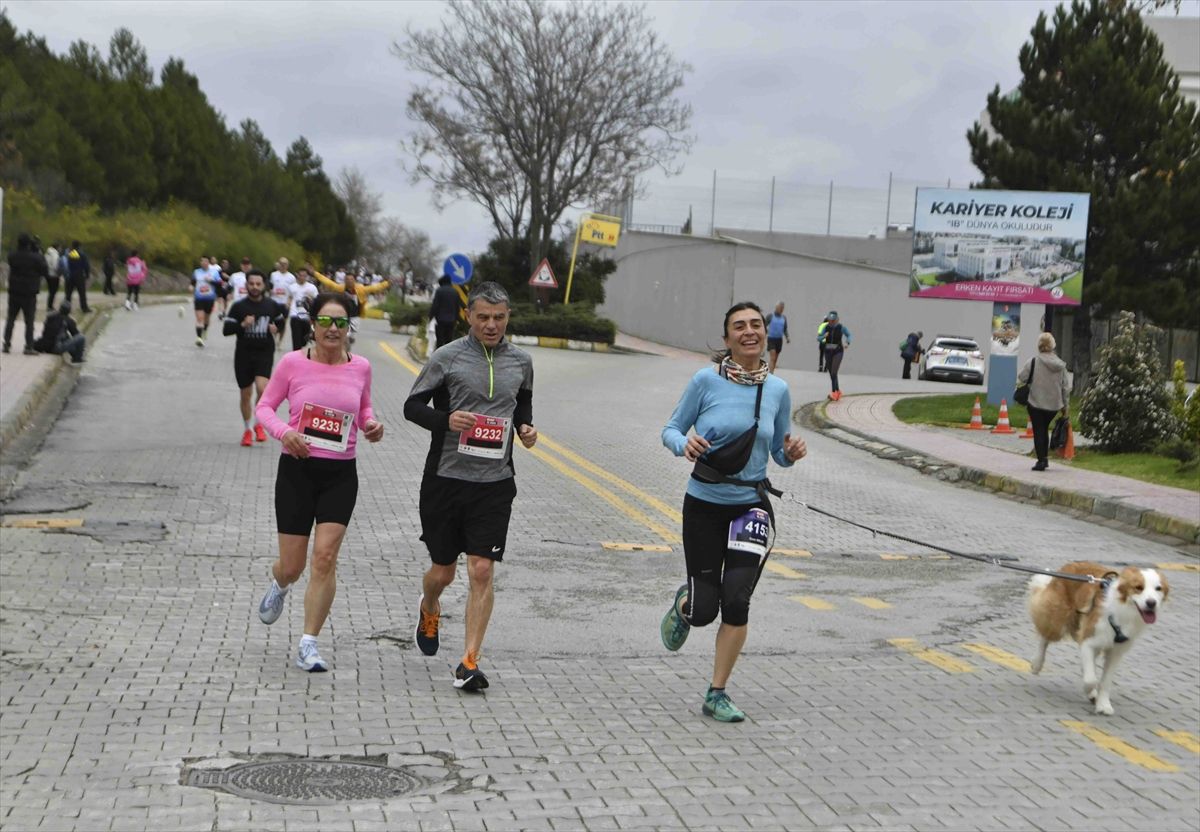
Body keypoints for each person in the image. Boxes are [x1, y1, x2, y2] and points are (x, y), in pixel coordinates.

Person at [660, 302, 807, 723]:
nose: (749, 332)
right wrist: (681, 444)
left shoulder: (777, 389)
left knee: (737, 600)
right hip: (704, 503)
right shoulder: (705, 381)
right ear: (726, 339)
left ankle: (717, 692)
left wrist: (791, 453)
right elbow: (670, 428)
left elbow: (779, 451)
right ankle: (686, 604)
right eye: (739, 327)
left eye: (756, 325)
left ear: (766, 334)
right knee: (706, 610)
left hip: (751, 507)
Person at [403, 281, 537, 692]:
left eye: (499, 318)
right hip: (446, 480)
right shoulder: (447, 357)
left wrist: (527, 430)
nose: (491, 325)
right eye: (483, 318)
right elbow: (412, 407)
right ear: (469, 316)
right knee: (443, 572)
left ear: (508, 317)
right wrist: (447, 421)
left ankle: (469, 661)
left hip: (495, 483)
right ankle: (429, 605)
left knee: (481, 570)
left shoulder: (522, 361)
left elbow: (523, 404)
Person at [254, 293, 384, 672]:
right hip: (297, 472)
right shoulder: (292, 363)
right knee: (293, 566)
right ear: (312, 324)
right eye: (325, 322)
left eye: (341, 323)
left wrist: (371, 426)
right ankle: (279, 584)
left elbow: (363, 410)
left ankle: (308, 643)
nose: (332, 329)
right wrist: (284, 433)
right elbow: (264, 407)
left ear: (349, 328)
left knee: (324, 559)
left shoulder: (360, 367)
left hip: (340, 475)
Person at [223, 270, 287, 446]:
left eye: (258, 284)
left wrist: (276, 329)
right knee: (246, 394)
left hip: (264, 353)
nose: (255, 287)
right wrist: (243, 325)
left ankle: (260, 424)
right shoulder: (239, 306)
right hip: (243, 355)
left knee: (262, 389)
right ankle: (247, 429)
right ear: (246, 285)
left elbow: (281, 322)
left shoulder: (272, 305)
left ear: (264, 285)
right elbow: (226, 330)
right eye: (251, 284)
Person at [1018, 332, 1072, 472]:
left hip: (1035, 402)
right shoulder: (1060, 365)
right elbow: (1065, 388)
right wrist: (1065, 407)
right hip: (1054, 405)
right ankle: (1044, 458)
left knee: (1039, 430)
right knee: (1044, 428)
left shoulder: (1034, 361)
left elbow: (1022, 377)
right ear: (1053, 346)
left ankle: (1041, 460)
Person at [4, 233, 49, 355]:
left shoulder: (12, 256)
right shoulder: (36, 258)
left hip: (14, 291)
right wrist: (38, 251)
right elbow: (45, 270)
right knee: (29, 321)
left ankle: (6, 344)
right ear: (29, 244)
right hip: (29, 293)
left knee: (11, 319)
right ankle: (29, 346)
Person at [189, 256, 224, 347]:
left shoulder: (214, 272)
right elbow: (193, 282)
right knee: (200, 318)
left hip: (210, 299)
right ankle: (199, 338)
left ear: (209, 262)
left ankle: (205, 330)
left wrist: (211, 281)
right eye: (202, 261)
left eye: (206, 261)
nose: (204, 263)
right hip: (199, 298)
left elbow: (220, 284)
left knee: (207, 319)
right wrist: (191, 287)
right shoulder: (196, 272)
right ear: (200, 262)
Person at [820, 310, 851, 400]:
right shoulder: (825, 328)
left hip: (838, 351)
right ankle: (838, 391)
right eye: (830, 320)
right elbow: (819, 338)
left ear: (837, 319)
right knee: (832, 373)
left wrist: (847, 343)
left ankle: (834, 393)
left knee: (834, 372)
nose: (831, 322)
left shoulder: (841, 327)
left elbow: (849, 335)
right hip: (828, 351)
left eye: (833, 320)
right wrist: (823, 337)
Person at [287, 266, 320, 351]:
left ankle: (303, 343)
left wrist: (311, 300)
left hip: (306, 316)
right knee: (296, 340)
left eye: (304, 275)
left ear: (307, 277)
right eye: (300, 275)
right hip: (295, 315)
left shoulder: (312, 287)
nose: (302, 277)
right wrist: (288, 304)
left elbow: (317, 301)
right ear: (297, 275)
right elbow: (290, 297)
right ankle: (296, 356)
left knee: (304, 340)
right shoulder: (292, 287)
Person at [270, 258, 296, 347]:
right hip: (274, 302)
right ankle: (273, 337)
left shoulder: (291, 277)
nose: (283, 266)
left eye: (285, 264)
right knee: (273, 321)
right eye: (281, 264)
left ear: (287, 265)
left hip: (285, 303)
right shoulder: (273, 275)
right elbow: (270, 286)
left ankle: (280, 342)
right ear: (279, 264)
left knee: (283, 323)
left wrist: (289, 302)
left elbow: (293, 292)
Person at [429, 274, 460, 350]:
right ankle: (447, 358)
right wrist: (456, 319)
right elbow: (457, 307)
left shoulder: (439, 291)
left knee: (440, 340)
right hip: (451, 320)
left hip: (440, 320)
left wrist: (430, 316)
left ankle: (439, 357)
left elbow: (435, 306)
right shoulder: (455, 292)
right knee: (448, 341)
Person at [64, 241, 91, 313]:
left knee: (68, 294)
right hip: (79, 276)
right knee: (82, 293)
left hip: (70, 275)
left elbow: (66, 265)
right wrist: (87, 274)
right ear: (79, 246)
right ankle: (84, 308)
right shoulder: (82, 254)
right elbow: (86, 265)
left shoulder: (70, 254)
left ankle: (66, 308)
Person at [764, 301, 790, 374]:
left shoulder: (784, 318)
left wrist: (787, 337)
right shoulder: (770, 316)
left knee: (775, 358)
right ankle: (770, 374)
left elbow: (785, 329)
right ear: (776, 308)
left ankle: (772, 372)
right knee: (772, 357)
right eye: (780, 308)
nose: (781, 310)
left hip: (779, 340)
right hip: (771, 339)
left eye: (782, 308)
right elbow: (763, 325)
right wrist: (765, 333)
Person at [43, 242, 60, 311]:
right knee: (53, 291)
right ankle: (50, 306)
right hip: (54, 275)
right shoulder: (55, 254)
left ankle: (49, 305)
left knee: (50, 291)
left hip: (48, 274)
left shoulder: (47, 254)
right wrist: (59, 271)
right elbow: (55, 265)